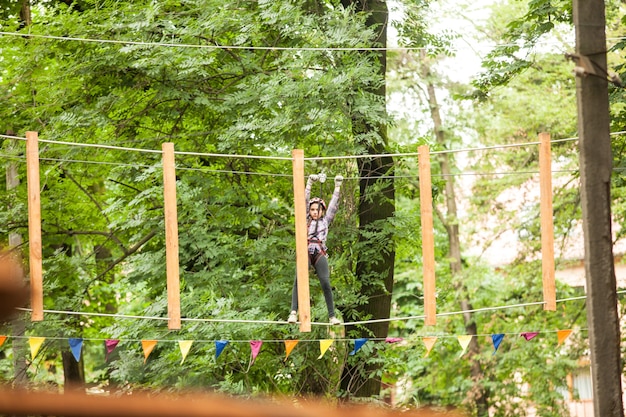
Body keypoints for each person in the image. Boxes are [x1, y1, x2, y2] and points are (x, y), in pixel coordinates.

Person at [288, 173, 343, 325]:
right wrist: (309, 184)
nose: (314, 212)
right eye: (312, 210)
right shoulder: (306, 218)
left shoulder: (326, 220)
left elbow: (333, 204)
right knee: (299, 278)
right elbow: (304, 201)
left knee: (325, 282)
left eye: (317, 210)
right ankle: (293, 312)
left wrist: (337, 187)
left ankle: (332, 316)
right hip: (305, 250)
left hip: (319, 252)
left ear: (322, 211)